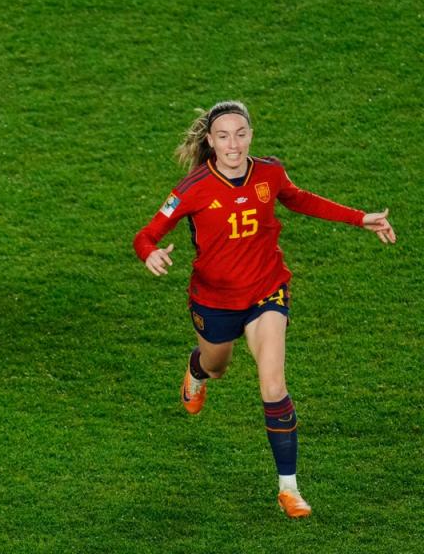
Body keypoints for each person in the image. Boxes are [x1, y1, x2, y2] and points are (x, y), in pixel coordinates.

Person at [132, 101, 396, 519]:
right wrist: (149, 254)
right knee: (217, 366)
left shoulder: (269, 173)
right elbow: (147, 233)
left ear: (250, 135)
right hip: (214, 301)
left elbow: (300, 199)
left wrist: (359, 218)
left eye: (240, 133)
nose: (233, 144)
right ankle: (197, 370)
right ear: (210, 142)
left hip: (265, 292)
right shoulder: (192, 188)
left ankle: (288, 489)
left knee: (273, 385)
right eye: (223, 136)